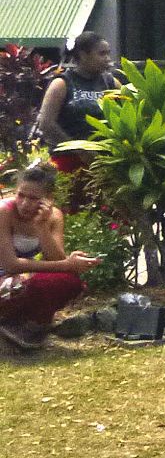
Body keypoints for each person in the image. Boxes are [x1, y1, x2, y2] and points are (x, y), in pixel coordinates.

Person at [0, 163, 97, 352]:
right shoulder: (4, 212)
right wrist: (69, 264)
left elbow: (56, 260)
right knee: (40, 279)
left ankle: (31, 326)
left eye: (34, 198)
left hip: (12, 280)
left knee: (68, 282)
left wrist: (41, 228)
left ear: (48, 199)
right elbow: (10, 265)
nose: (25, 204)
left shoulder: (54, 216)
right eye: (21, 195)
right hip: (7, 273)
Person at [35, 32, 121, 170]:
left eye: (108, 54)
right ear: (83, 55)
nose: (107, 59)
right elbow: (46, 124)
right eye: (101, 54)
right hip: (68, 160)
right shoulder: (61, 84)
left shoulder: (111, 83)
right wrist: (79, 150)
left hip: (105, 161)